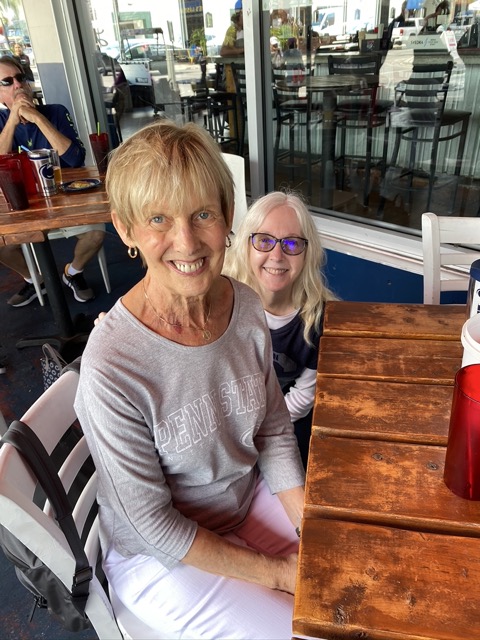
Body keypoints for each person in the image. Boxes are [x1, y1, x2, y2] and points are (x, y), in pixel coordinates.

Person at [74, 120, 305, 639]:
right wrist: (277, 573)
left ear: (227, 216)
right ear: (126, 229)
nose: (187, 242)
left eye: (203, 214)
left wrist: (309, 522)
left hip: (243, 503)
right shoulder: (113, 366)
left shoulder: (245, 306)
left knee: (351, 584)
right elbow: (153, 524)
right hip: (161, 557)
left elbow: (272, 429)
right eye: (158, 219)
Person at [223, 191, 336, 467]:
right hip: (229, 419)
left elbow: (304, 395)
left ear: (307, 253)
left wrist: (261, 431)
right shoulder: (224, 300)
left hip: (284, 422)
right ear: (246, 246)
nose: (277, 255)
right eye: (264, 240)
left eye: (292, 243)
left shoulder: (318, 320)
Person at [0, 56, 105, 306]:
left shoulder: (56, 112)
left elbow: (75, 159)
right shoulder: (1, 122)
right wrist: (13, 120)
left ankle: (72, 273)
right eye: (7, 81)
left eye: (20, 78)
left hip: (63, 197)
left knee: (96, 233)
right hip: (23, 204)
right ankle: (37, 279)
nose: (18, 85)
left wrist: (37, 118)